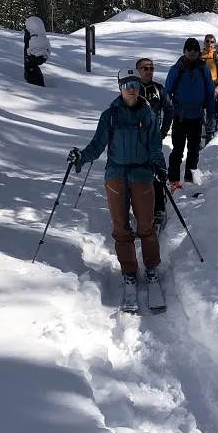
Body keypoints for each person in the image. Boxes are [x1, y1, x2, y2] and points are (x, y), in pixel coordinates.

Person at [68, 70, 167, 298]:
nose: (130, 88)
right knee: (121, 227)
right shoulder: (110, 115)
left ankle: (151, 268)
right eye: (126, 84)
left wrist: (159, 166)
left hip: (142, 175)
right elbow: (97, 144)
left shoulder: (149, 114)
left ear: (139, 86)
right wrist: (81, 156)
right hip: (116, 177)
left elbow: (155, 146)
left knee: (146, 226)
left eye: (134, 83)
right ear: (120, 87)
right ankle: (129, 271)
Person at [164, 37, 215, 188]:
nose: (192, 52)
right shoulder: (176, 69)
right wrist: (166, 113)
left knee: (193, 150)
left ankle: (189, 178)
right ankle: (173, 180)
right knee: (177, 149)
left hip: (197, 115)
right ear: (184, 51)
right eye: (189, 49)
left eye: (195, 50)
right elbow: (167, 93)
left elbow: (210, 92)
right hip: (180, 115)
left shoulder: (203, 69)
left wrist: (211, 114)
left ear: (199, 52)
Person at [136, 56, 173, 224]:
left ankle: (158, 207)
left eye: (151, 68)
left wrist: (164, 130)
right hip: (135, 139)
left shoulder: (159, 89)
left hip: (153, 137)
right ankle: (139, 207)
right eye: (145, 68)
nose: (148, 71)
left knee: (157, 170)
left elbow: (169, 108)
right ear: (138, 70)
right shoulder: (132, 88)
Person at [200, 33, 218, 136]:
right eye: (207, 41)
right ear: (204, 42)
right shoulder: (199, 56)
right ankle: (200, 131)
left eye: (212, 42)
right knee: (198, 109)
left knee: (211, 110)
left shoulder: (217, 58)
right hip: (200, 85)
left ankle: (210, 132)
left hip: (213, 85)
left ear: (214, 43)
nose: (209, 43)